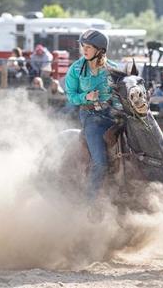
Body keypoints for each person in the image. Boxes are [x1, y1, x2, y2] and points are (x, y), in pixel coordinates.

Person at [65, 29, 118, 212]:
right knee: (100, 161)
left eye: (88, 47)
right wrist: (86, 97)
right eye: (83, 46)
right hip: (92, 118)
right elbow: (71, 96)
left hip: (114, 115)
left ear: (100, 50)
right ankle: (90, 202)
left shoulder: (113, 69)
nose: (84, 50)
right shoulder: (76, 69)